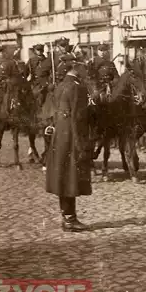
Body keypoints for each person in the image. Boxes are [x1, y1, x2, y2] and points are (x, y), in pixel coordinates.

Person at [45, 57, 92, 232]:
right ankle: (70, 220)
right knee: (71, 176)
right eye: (82, 67)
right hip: (72, 135)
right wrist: (81, 143)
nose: (84, 70)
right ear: (76, 68)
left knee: (63, 176)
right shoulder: (77, 88)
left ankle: (67, 217)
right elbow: (78, 118)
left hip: (60, 135)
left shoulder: (60, 86)